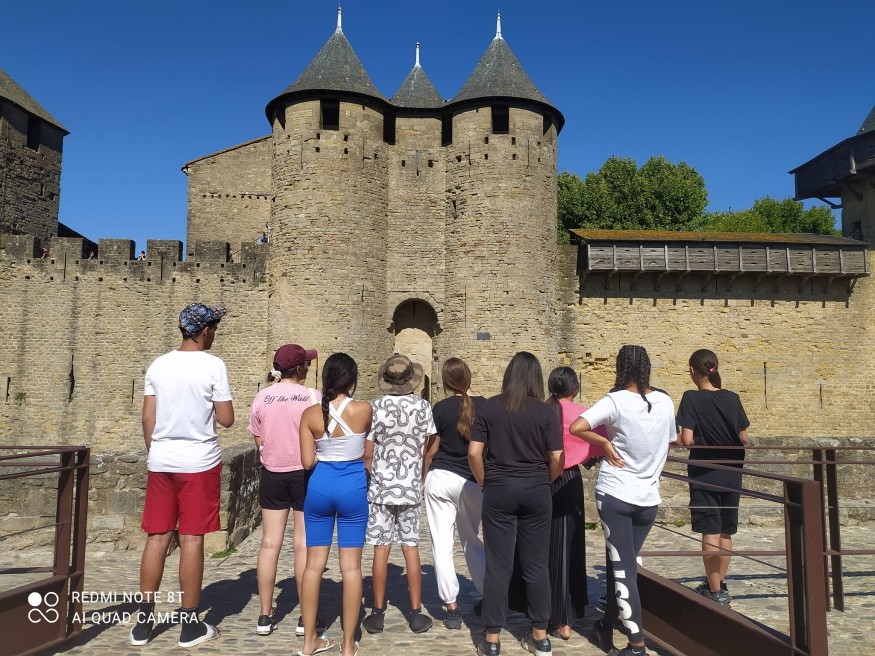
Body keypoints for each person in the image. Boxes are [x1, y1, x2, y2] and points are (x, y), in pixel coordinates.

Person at [131, 303, 233, 648]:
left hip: (161, 460)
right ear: (204, 331)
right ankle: (190, 625)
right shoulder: (213, 365)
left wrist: (157, 451)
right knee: (191, 539)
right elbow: (227, 419)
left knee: (157, 537)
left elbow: (148, 418)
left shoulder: (158, 365)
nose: (215, 334)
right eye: (214, 328)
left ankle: (143, 623)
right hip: (198, 463)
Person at [570, 345, 675, 656]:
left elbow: (577, 427)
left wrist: (604, 442)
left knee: (624, 569)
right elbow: (670, 439)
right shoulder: (665, 401)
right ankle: (606, 624)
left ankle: (637, 645)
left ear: (620, 368)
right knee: (624, 565)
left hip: (615, 493)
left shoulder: (614, 401)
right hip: (648, 497)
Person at [468, 352, 564, 656]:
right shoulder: (546, 412)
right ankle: (540, 636)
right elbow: (557, 457)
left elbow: (474, 453)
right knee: (536, 564)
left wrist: (484, 481)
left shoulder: (489, 407)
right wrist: (545, 480)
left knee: (498, 565)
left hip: (499, 488)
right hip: (536, 488)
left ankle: (492, 639)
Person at [507, 366, 606, 640]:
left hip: (539, 478)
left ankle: (537, 611)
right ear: (574, 388)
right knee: (567, 548)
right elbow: (598, 449)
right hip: (568, 480)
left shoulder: (538, 411)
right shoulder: (583, 414)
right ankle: (564, 618)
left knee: (536, 547)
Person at [299, 353, 373, 656]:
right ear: (352, 379)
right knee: (351, 568)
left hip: (320, 486)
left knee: (313, 565)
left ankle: (309, 641)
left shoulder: (310, 414)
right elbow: (367, 452)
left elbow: (307, 462)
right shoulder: (364, 409)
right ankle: (347, 645)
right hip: (352, 487)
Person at [248, 343, 321, 636]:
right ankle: (305, 617)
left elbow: (258, 440)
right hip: (305, 474)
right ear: (300, 368)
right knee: (302, 544)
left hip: (273, 473)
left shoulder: (262, 397)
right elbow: (321, 436)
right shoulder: (312, 397)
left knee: (269, 543)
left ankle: (265, 615)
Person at [362, 354, 436, 634]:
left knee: (381, 549)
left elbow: (368, 453)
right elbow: (431, 445)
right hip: (410, 486)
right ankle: (415, 613)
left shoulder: (376, 407)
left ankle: (377, 613)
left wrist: (373, 475)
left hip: (382, 486)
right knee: (411, 547)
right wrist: (421, 472)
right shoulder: (423, 407)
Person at [677, 349, 749, 607]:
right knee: (726, 531)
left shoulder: (691, 398)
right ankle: (719, 584)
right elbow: (743, 438)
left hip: (705, 472)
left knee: (710, 531)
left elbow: (687, 439)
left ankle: (715, 591)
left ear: (692, 370)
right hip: (733, 473)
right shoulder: (733, 398)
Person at [423, 357, 486, 629]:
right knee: (472, 540)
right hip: (471, 482)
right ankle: (488, 595)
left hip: (440, 477)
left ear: (446, 382)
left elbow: (432, 450)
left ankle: (451, 608)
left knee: (442, 543)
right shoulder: (484, 406)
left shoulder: (440, 408)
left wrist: (423, 477)